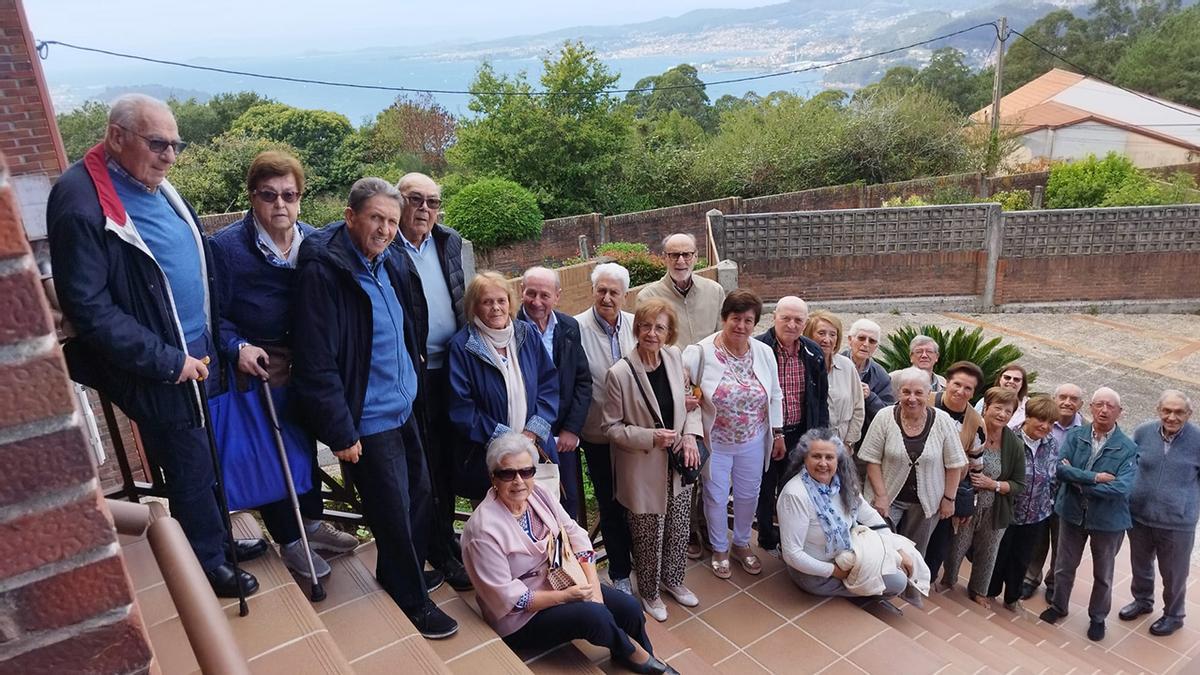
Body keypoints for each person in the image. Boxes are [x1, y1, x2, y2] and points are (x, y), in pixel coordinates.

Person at [47, 94, 267, 598]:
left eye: (175, 144)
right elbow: (89, 308)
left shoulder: (149, 180)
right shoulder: (80, 199)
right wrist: (169, 362)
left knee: (206, 452)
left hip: (198, 349)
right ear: (117, 136)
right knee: (187, 465)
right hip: (164, 363)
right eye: (158, 143)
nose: (170, 155)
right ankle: (207, 564)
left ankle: (219, 537)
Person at [291, 177, 456, 638]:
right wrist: (341, 431)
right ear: (350, 217)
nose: (384, 228)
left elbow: (405, 326)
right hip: (367, 418)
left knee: (421, 496)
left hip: (405, 406)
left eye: (390, 220)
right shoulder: (325, 270)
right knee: (393, 510)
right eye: (375, 219)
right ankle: (412, 601)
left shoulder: (389, 260)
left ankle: (397, 571)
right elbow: (316, 358)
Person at [209, 150, 358, 579]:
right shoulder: (226, 249)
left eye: (289, 195)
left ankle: (313, 524)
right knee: (273, 452)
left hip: (311, 364)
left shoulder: (314, 241)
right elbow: (212, 315)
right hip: (261, 365)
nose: (280, 205)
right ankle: (290, 541)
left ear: (300, 197)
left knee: (306, 447)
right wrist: (237, 345)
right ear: (252, 197)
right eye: (269, 195)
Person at [461, 433, 677, 675]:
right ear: (493, 478)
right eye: (508, 474)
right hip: (519, 618)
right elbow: (508, 597)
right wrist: (566, 597)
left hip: (560, 579)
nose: (519, 481)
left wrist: (593, 586)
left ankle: (645, 655)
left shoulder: (538, 494)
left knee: (629, 608)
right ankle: (636, 656)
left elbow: (575, 535)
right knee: (595, 617)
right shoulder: (483, 530)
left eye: (527, 471)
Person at [602, 299, 704, 622]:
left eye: (660, 327)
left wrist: (690, 435)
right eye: (646, 326)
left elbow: (692, 405)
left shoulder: (675, 358)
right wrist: (650, 437)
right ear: (637, 329)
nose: (652, 333)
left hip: (677, 464)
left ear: (669, 332)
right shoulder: (620, 373)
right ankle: (649, 592)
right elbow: (611, 427)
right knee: (648, 533)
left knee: (677, 525)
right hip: (642, 469)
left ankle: (673, 580)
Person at [394, 172, 471, 591]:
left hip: (453, 370)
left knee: (447, 460)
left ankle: (446, 538)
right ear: (398, 201)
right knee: (420, 467)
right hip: (412, 373)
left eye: (433, 202)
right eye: (415, 200)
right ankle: (433, 547)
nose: (425, 209)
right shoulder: (388, 248)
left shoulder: (448, 241)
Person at [683, 289, 783, 579]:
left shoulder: (763, 353)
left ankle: (740, 543)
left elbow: (775, 394)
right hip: (716, 442)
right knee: (714, 496)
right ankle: (719, 548)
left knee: (748, 494)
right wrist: (688, 408)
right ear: (724, 318)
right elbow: (685, 393)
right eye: (735, 318)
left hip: (753, 439)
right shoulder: (699, 353)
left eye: (748, 320)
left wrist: (777, 433)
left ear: (755, 324)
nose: (741, 326)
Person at [447, 272, 560, 501]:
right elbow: (462, 408)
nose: (496, 308)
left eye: (501, 300)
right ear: (474, 307)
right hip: (489, 457)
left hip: (534, 450)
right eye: (487, 302)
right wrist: (507, 441)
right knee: (499, 527)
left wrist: (531, 433)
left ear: (510, 303)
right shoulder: (462, 347)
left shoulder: (527, 334)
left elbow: (549, 385)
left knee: (540, 522)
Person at [1039, 387, 1138, 642]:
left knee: (1103, 574)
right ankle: (1059, 607)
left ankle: (1097, 618)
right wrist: (1093, 478)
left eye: (1110, 406)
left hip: (1108, 521)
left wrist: (1079, 481)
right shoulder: (1076, 436)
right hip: (1071, 513)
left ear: (1120, 412)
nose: (1104, 410)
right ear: (1091, 408)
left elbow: (1122, 487)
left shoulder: (1127, 447)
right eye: (1099, 404)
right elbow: (1059, 470)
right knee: (1063, 566)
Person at [778, 428, 917, 598]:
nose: (823, 463)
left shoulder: (843, 484)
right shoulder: (795, 494)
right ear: (804, 459)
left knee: (898, 570)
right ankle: (862, 594)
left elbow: (872, 518)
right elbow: (792, 554)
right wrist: (835, 571)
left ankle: (864, 587)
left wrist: (897, 549)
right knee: (897, 582)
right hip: (815, 574)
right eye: (816, 456)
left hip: (849, 558)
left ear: (838, 460)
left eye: (829, 457)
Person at [857, 367, 966, 556]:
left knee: (914, 554)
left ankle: (909, 585)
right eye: (906, 392)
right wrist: (881, 496)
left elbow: (954, 464)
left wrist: (949, 499)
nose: (912, 398)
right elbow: (872, 460)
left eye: (918, 393)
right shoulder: (884, 417)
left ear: (929, 394)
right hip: (887, 497)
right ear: (898, 393)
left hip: (926, 503)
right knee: (879, 550)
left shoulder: (943, 421)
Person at [576, 263, 637, 594]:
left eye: (614, 292)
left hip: (634, 435)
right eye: (602, 290)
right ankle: (620, 571)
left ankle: (644, 561)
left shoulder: (635, 325)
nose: (607, 297)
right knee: (609, 502)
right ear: (592, 291)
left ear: (625, 296)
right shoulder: (575, 329)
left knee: (636, 501)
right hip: (597, 434)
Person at [754, 296, 829, 557]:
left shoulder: (813, 352)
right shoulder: (758, 347)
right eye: (786, 318)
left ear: (805, 322)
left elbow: (820, 399)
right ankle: (765, 535)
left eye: (798, 320)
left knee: (792, 489)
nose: (792, 324)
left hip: (799, 433)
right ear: (774, 317)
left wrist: (821, 437)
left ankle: (790, 539)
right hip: (763, 433)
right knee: (764, 486)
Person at [1120, 390, 1199, 637]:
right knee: (1140, 564)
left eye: (1178, 412)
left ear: (1189, 414)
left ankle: (1174, 615)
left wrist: (1187, 505)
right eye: (1167, 410)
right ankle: (1143, 601)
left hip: (1177, 523)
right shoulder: (1143, 432)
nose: (1172, 417)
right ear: (1158, 410)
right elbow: (1130, 465)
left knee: (1174, 573)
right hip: (1139, 516)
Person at [940, 387, 1026, 607]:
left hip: (995, 508)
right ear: (986, 407)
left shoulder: (1014, 444)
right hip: (967, 502)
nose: (1002, 414)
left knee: (989, 551)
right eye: (998, 408)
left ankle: (979, 590)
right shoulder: (973, 430)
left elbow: (1018, 484)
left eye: (1008, 411)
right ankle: (948, 581)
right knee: (957, 545)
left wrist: (994, 484)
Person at [518, 266, 591, 522]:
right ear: (521, 292)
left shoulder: (569, 326)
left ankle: (569, 558)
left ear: (557, 296)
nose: (536, 302)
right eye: (531, 293)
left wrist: (572, 429)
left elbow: (582, 380)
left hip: (563, 437)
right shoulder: (511, 329)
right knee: (529, 505)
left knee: (568, 503)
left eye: (545, 295)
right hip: (526, 435)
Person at [987, 396, 1060, 610]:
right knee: (1000, 554)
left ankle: (1012, 599)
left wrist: (1049, 501)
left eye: (1050, 423)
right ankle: (989, 593)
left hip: (1037, 514)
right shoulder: (1009, 438)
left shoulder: (1051, 443)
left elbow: (1053, 476)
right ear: (1028, 417)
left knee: (1022, 559)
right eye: (1040, 420)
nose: (1045, 426)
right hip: (1008, 511)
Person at [1023, 382, 1084, 601]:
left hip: (1066, 495)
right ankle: (1030, 578)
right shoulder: (1043, 421)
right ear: (1054, 399)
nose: (1068, 402)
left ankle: (1053, 582)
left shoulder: (1085, 429)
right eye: (1063, 397)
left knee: (1062, 542)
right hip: (1039, 493)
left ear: (1081, 404)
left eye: (1074, 399)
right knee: (1037, 538)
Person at [923, 361, 985, 577]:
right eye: (957, 384)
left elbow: (976, 465)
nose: (961, 391)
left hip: (946, 493)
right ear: (946, 383)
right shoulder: (925, 400)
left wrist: (969, 503)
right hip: (913, 484)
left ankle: (926, 583)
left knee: (937, 545)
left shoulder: (976, 423)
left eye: (968, 388)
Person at [636, 233, 725, 348]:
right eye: (674, 255)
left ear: (696, 257)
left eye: (687, 255)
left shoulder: (715, 291)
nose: (681, 261)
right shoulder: (647, 298)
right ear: (665, 258)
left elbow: (723, 336)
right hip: (672, 365)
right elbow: (646, 344)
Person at [803, 310, 864, 445]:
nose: (827, 339)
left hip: (842, 445)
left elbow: (858, 408)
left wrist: (849, 443)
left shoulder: (847, 366)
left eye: (833, 334)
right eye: (821, 333)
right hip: (810, 446)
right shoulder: (801, 366)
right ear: (808, 336)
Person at [842, 318, 894, 439]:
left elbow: (888, 414)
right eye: (861, 338)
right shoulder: (834, 364)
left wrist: (870, 397)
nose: (866, 344)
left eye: (872, 341)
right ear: (850, 340)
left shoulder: (881, 375)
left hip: (864, 438)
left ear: (876, 347)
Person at [974, 364, 1030, 430]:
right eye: (1007, 377)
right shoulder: (985, 400)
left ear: (1022, 384)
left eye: (1016, 379)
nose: (1011, 381)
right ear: (1000, 379)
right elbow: (973, 421)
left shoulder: (1029, 405)